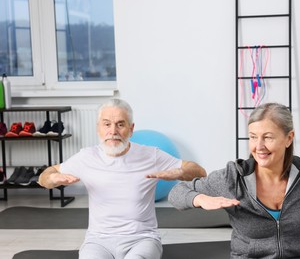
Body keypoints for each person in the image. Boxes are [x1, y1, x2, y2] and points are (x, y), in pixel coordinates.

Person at [168, 102, 300, 259]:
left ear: (289, 138)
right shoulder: (233, 177)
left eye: (267, 137)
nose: (259, 146)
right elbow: (177, 193)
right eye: (253, 137)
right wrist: (201, 199)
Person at [38, 98, 206, 259]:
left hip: (142, 239)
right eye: (107, 124)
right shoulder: (86, 157)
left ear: (131, 129)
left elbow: (199, 172)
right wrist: (53, 179)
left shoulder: (151, 155)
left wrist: (178, 173)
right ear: (98, 129)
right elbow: (43, 177)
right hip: (98, 241)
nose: (113, 131)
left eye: (120, 124)